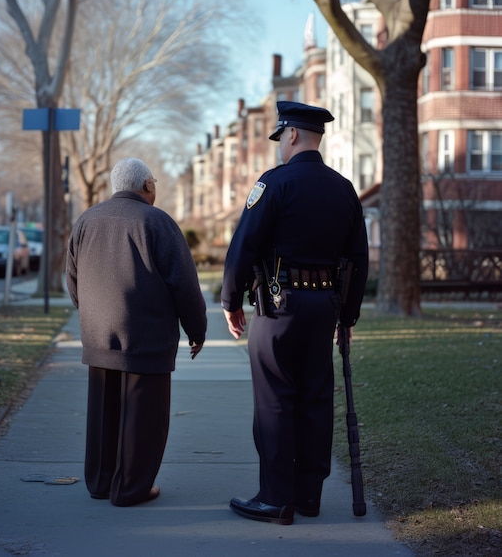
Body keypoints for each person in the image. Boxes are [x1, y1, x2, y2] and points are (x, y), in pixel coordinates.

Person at [221, 101, 369, 525]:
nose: (280, 148)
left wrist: (231, 301)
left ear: (291, 135)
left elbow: (242, 247)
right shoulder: (344, 189)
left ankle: (275, 498)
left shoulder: (274, 183)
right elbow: (357, 260)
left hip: (278, 307)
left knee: (275, 401)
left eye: (280, 139)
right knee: (315, 399)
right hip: (324, 308)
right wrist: (347, 318)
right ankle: (308, 496)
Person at [66, 157, 207, 507]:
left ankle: (100, 482)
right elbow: (185, 285)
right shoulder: (157, 222)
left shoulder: (86, 220)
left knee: (104, 413)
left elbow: (72, 279)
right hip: (145, 335)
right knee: (144, 417)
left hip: (99, 334)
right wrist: (196, 329)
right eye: (154, 182)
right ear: (146, 186)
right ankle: (131, 488)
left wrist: (91, 315)